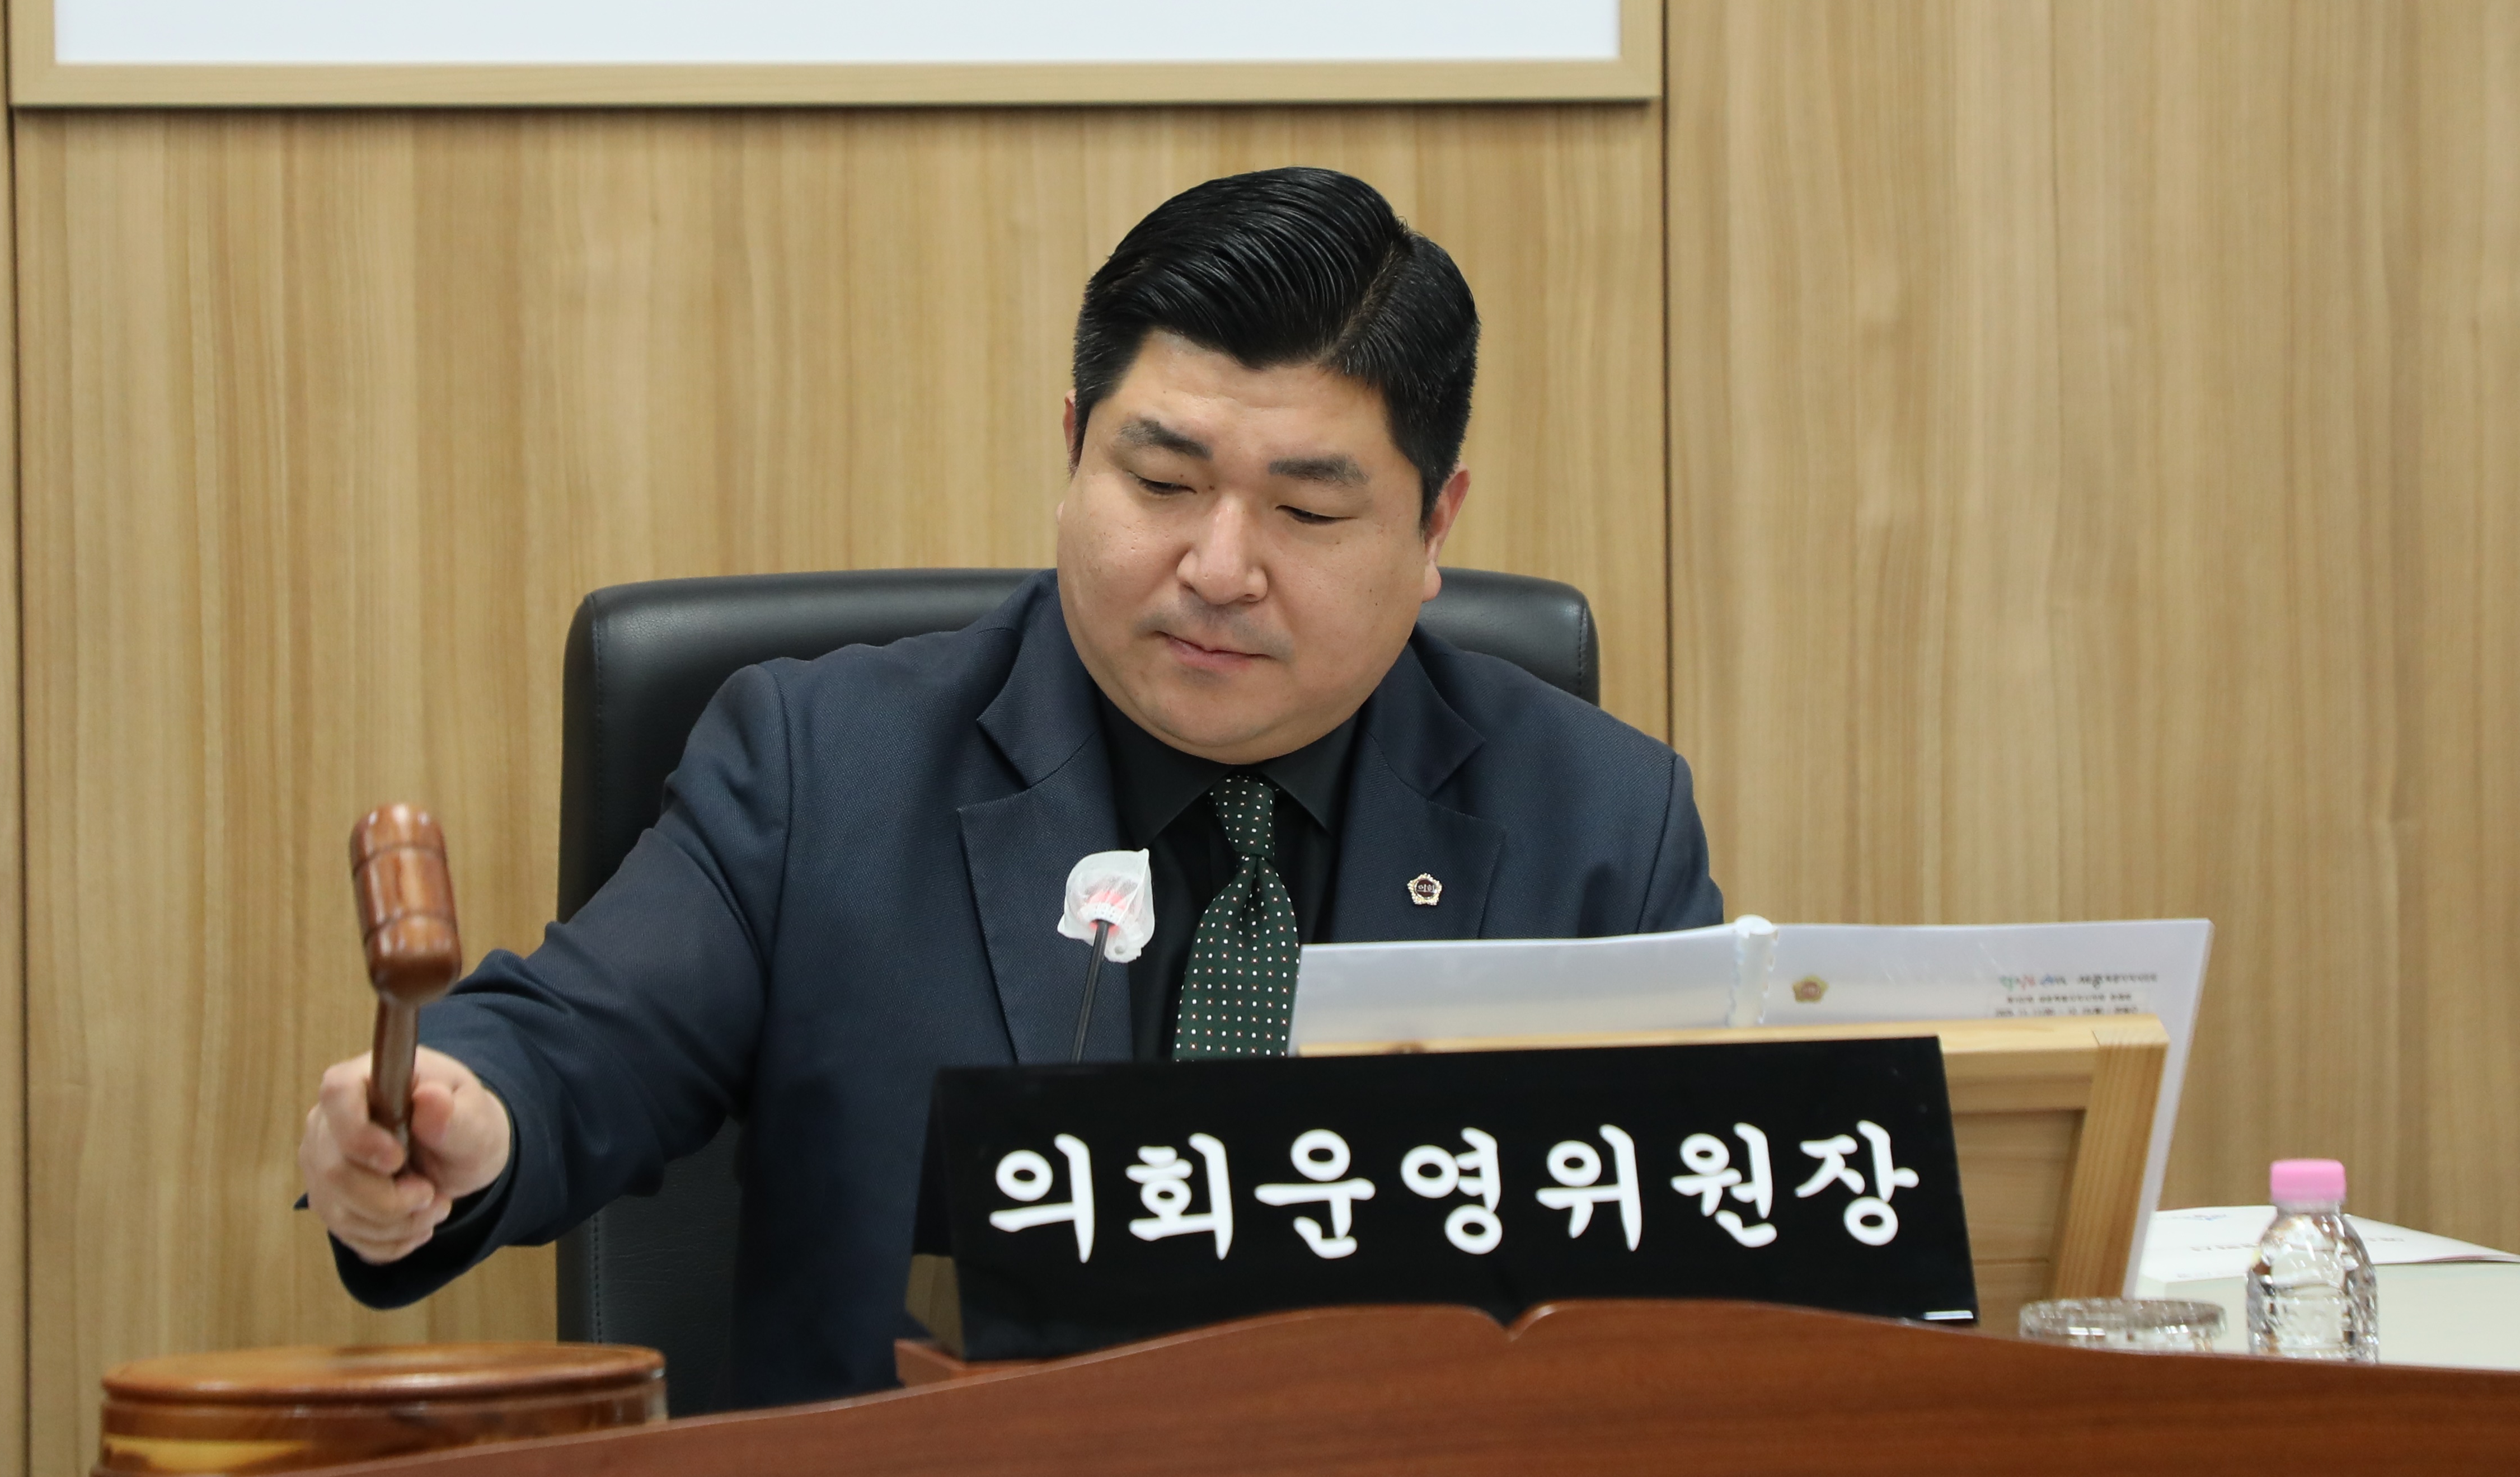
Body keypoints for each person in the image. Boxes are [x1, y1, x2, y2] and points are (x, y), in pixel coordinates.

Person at [297, 166, 1721, 1404]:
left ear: (1433, 526)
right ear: (1073, 451)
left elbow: (1709, 1277)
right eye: (1160, 482)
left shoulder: (1598, 823)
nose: (1219, 567)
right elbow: (578, 1042)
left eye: (1306, 509)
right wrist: (464, 1118)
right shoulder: (822, 768)